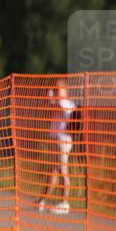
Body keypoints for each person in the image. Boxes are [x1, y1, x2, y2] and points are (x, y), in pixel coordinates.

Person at [37, 79, 76, 215]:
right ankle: (42, 199)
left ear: (65, 91)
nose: (57, 91)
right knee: (53, 171)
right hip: (54, 140)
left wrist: (51, 99)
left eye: (60, 89)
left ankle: (64, 202)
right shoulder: (58, 102)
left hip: (63, 141)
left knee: (62, 170)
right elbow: (46, 112)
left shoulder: (68, 104)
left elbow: (56, 108)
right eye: (56, 89)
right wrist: (48, 100)